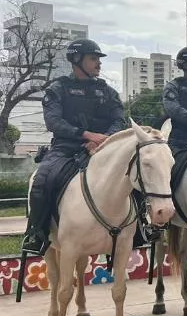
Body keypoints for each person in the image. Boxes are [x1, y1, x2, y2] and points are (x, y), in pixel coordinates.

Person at [23, 39, 125, 255]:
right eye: (93, 58)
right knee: (43, 180)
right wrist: (85, 135)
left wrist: (105, 138)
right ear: (77, 60)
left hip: (103, 148)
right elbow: (54, 122)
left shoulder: (108, 92)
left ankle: (139, 228)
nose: (98, 63)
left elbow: (119, 120)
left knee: (132, 175)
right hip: (65, 147)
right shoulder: (58, 88)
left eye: (98, 59)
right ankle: (37, 232)